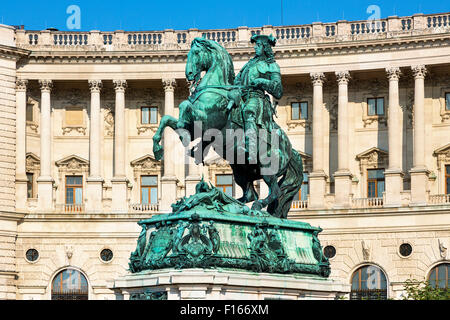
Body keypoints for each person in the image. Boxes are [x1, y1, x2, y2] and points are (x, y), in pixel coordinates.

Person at [232, 34, 283, 163]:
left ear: (265, 47)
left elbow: (278, 90)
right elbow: (237, 81)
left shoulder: (272, 66)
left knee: (249, 111)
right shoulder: (248, 65)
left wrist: (262, 81)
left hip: (257, 99)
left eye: (258, 45)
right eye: (255, 45)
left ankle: (252, 149)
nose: (255, 48)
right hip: (242, 97)